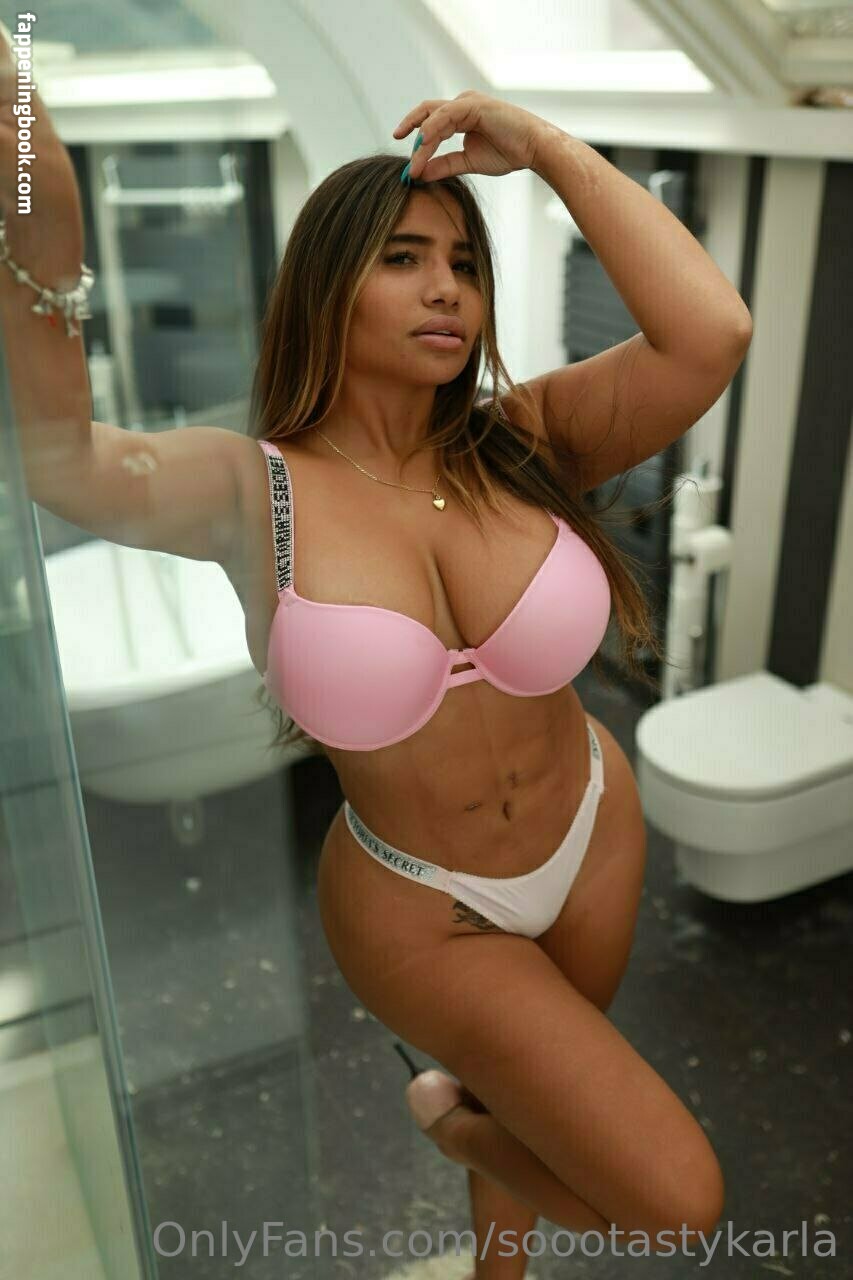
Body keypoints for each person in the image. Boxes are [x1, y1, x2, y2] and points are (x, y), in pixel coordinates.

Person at [2, 22, 752, 1271]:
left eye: (462, 263)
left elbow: (710, 332)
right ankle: (452, 1123)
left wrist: (544, 147)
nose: (446, 287)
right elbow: (61, 460)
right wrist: (41, 204)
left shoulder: (525, 438)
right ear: (326, 287)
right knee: (673, 1199)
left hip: (592, 824)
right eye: (403, 258)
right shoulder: (249, 492)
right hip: (422, 902)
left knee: (543, 1100)